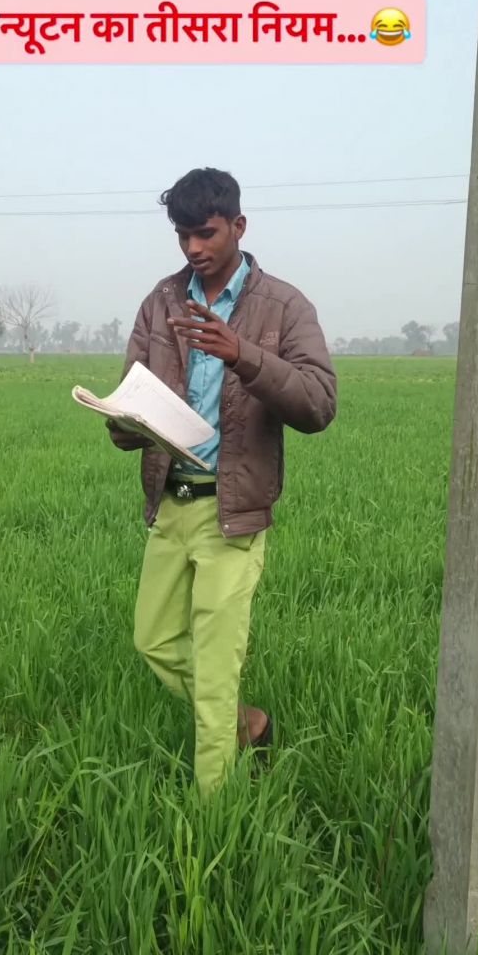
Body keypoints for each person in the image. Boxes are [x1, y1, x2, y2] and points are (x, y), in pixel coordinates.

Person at [107, 167, 337, 797]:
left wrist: (243, 355)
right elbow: (135, 386)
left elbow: (319, 404)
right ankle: (248, 723)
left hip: (233, 513)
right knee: (154, 640)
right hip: (171, 504)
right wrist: (122, 422)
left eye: (205, 234)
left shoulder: (283, 306)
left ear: (239, 225)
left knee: (213, 672)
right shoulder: (162, 301)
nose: (193, 248)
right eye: (182, 236)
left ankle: (213, 820)